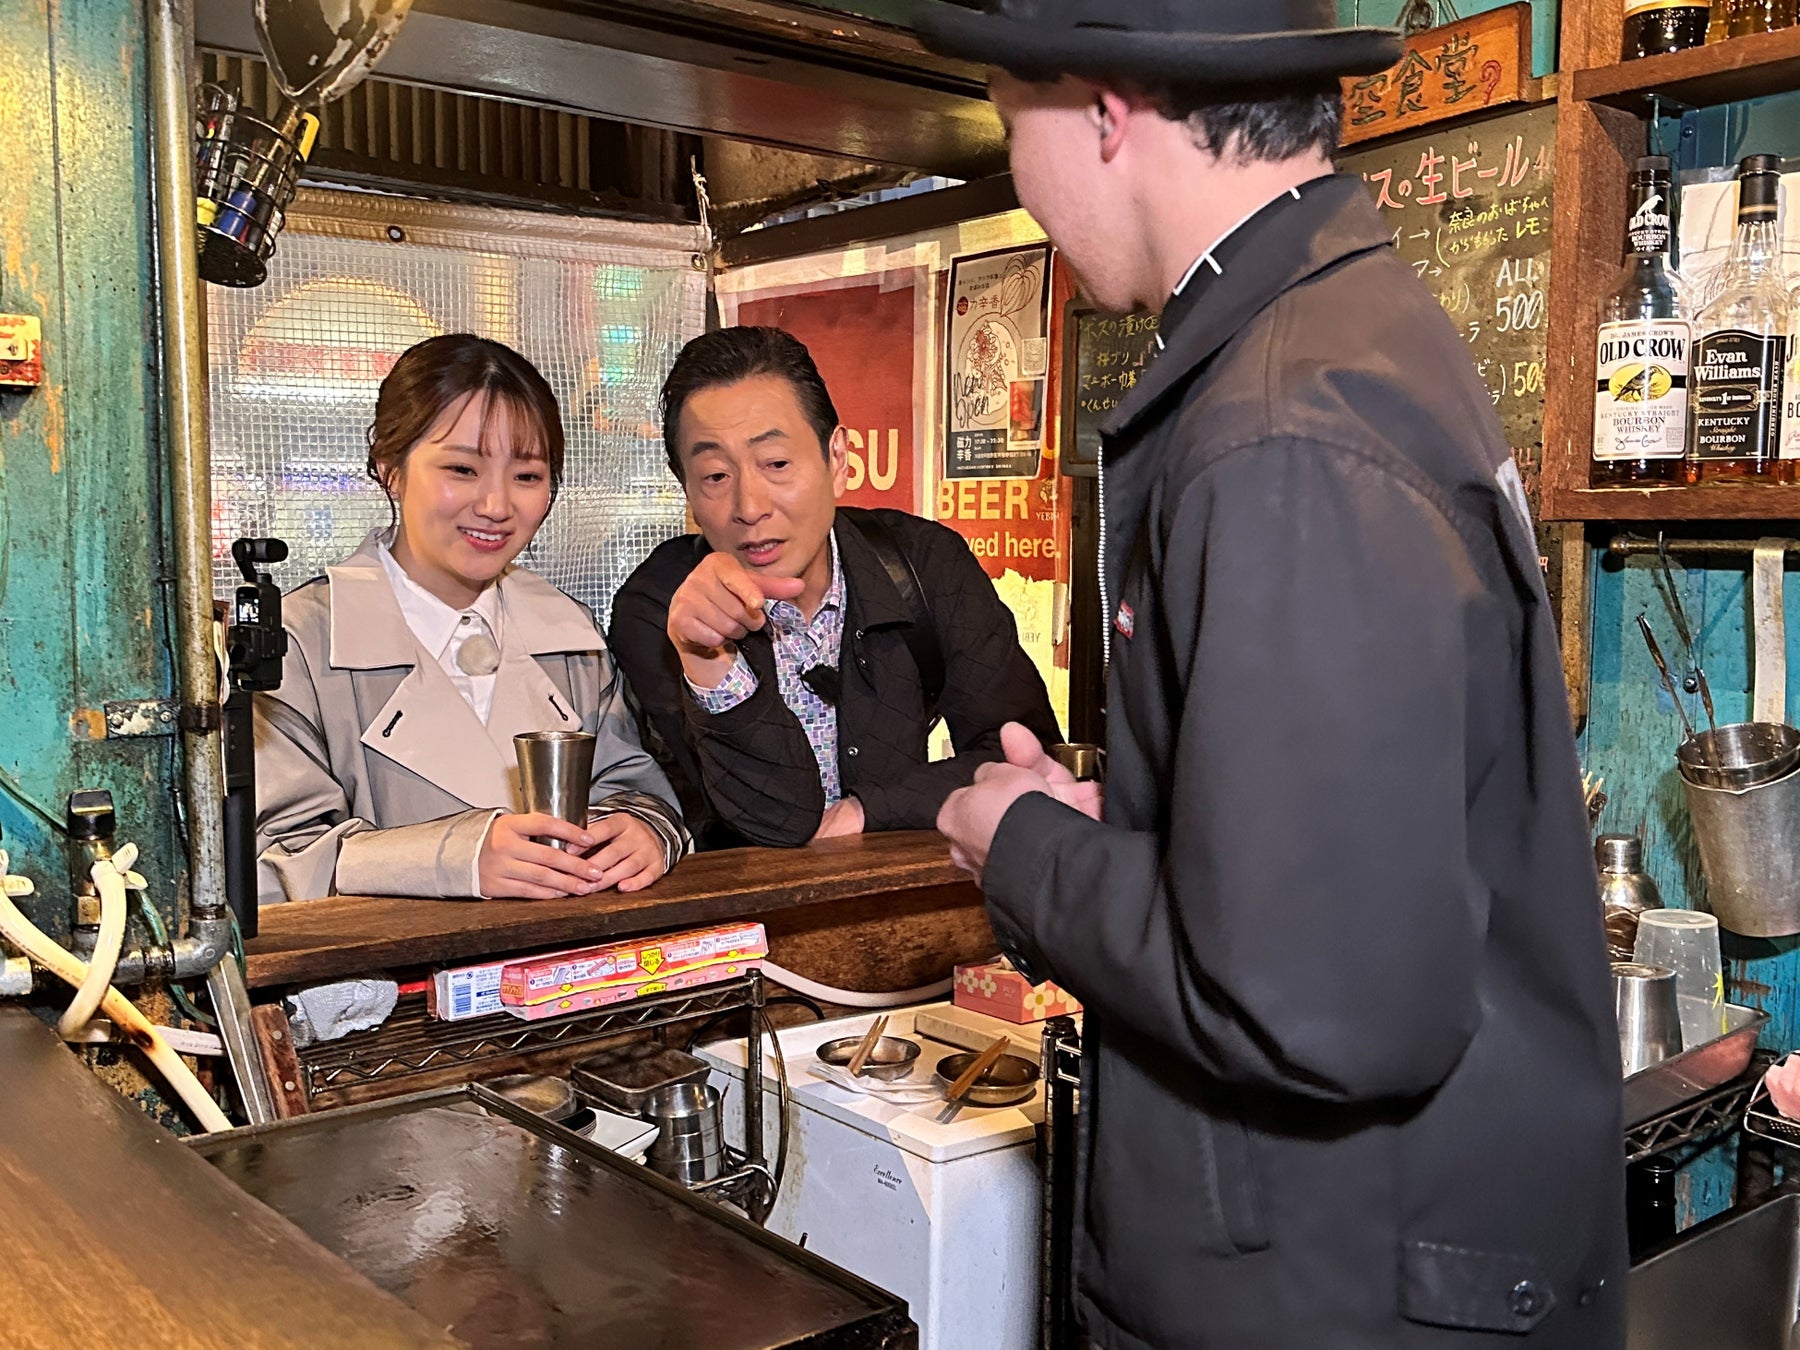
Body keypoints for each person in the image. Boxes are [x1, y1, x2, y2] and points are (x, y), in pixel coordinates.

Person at [920, 3, 1628, 1347]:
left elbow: (1320, 1004)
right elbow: (1312, 897)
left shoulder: (1284, 426)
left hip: (1330, 1293)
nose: (1022, 181)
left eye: (1011, 124)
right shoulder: (1349, 334)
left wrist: (1024, 848)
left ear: (1104, 110)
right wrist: (1123, 838)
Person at [255, 334, 687, 903]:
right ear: (390, 467)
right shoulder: (299, 642)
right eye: (462, 469)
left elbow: (633, 788)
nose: (496, 506)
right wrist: (455, 858)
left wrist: (644, 831)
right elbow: (272, 860)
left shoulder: (569, 633)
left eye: (527, 476)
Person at [607, 326, 1061, 849]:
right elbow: (775, 821)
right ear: (686, 487)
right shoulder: (657, 609)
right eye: (714, 475)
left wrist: (870, 810)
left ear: (838, 460)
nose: (749, 507)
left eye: (776, 463)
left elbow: (1028, 756)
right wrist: (708, 662)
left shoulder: (926, 564)